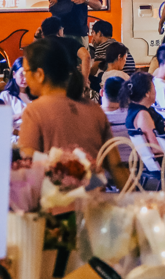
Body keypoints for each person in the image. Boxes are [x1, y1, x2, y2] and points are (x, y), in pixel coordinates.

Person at [16, 41, 127, 186]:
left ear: (40, 75)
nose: (25, 77)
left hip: (56, 203)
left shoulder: (35, 111)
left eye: (26, 71)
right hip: (94, 202)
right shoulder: (94, 109)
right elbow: (116, 167)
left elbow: (28, 167)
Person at [39, 16, 91, 95]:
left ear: (43, 32)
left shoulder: (39, 45)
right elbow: (86, 56)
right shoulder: (70, 42)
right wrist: (84, 81)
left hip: (47, 85)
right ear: (59, 31)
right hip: (70, 83)